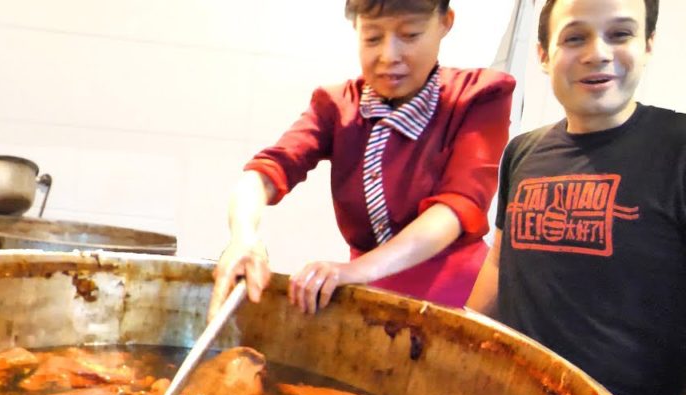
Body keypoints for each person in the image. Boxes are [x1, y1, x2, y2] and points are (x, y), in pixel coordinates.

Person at [464, 0, 685, 395]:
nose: (598, 53)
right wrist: (457, 353)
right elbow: (501, 261)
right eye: (574, 37)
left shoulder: (679, 149)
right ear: (543, 54)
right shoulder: (525, 152)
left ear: (649, 44)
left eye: (620, 33)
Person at [208, 0, 516, 320]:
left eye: (409, 35)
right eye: (372, 38)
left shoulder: (479, 96)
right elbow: (264, 173)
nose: (388, 55)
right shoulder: (337, 105)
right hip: (370, 292)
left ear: (445, 23)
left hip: (454, 297)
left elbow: (455, 208)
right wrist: (243, 236)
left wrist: (353, 271)